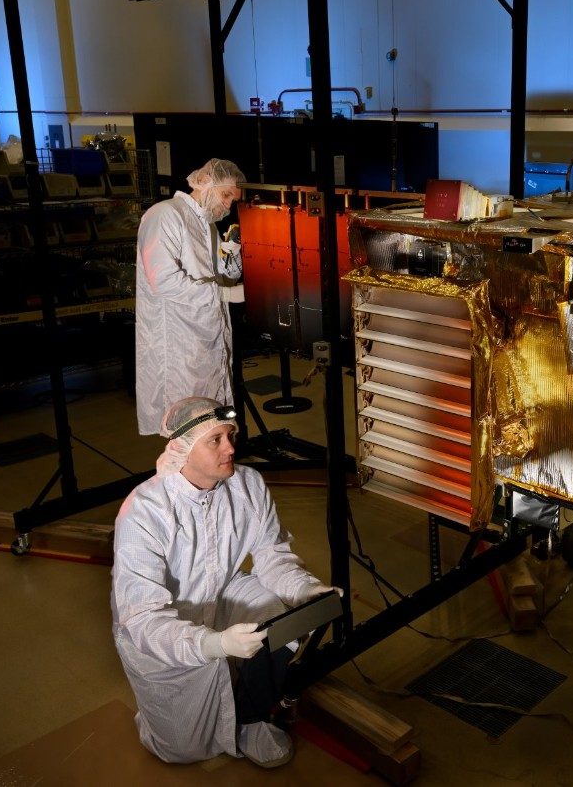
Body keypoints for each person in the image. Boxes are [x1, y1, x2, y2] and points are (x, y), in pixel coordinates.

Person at [111, 396, 339, 767]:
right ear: (183, 448)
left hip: (224, 588)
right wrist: (213, 643)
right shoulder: (144, 511)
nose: (231, 447)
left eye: (230, 434)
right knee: (182, 749)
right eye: (215, 440)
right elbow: (141, 617)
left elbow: (271, 555)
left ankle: (250, 717)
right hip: (164, 620)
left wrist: (307, 591)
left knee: (278, 618)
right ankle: (171, 712)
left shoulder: (247, 484)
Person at [135, 159, 246, 435]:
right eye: (226, 195)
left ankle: (213, 474)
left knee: (212, 422)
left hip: (206, 337)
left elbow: (224, 274)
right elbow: (163, 281)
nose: (229, 205)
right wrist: (224, 294)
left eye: (233, 200)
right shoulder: (165, 215)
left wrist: (232, 252)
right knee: (185, 427)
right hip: (177, 342)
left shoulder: (206, 224)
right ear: (206, 182)